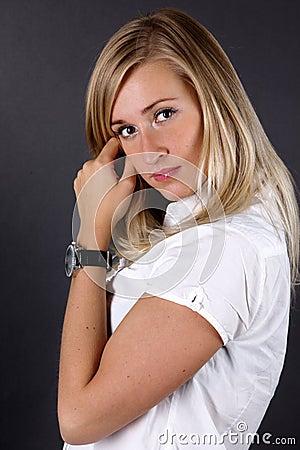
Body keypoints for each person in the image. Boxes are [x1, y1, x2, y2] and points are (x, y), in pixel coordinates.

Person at [58, 8, 299, 450]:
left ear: (216, 103)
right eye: (127, 130)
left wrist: (90, 239)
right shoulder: (188, 230)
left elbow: (77, 420)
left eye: (164, 114)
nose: (147, 150)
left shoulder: (227, 246)